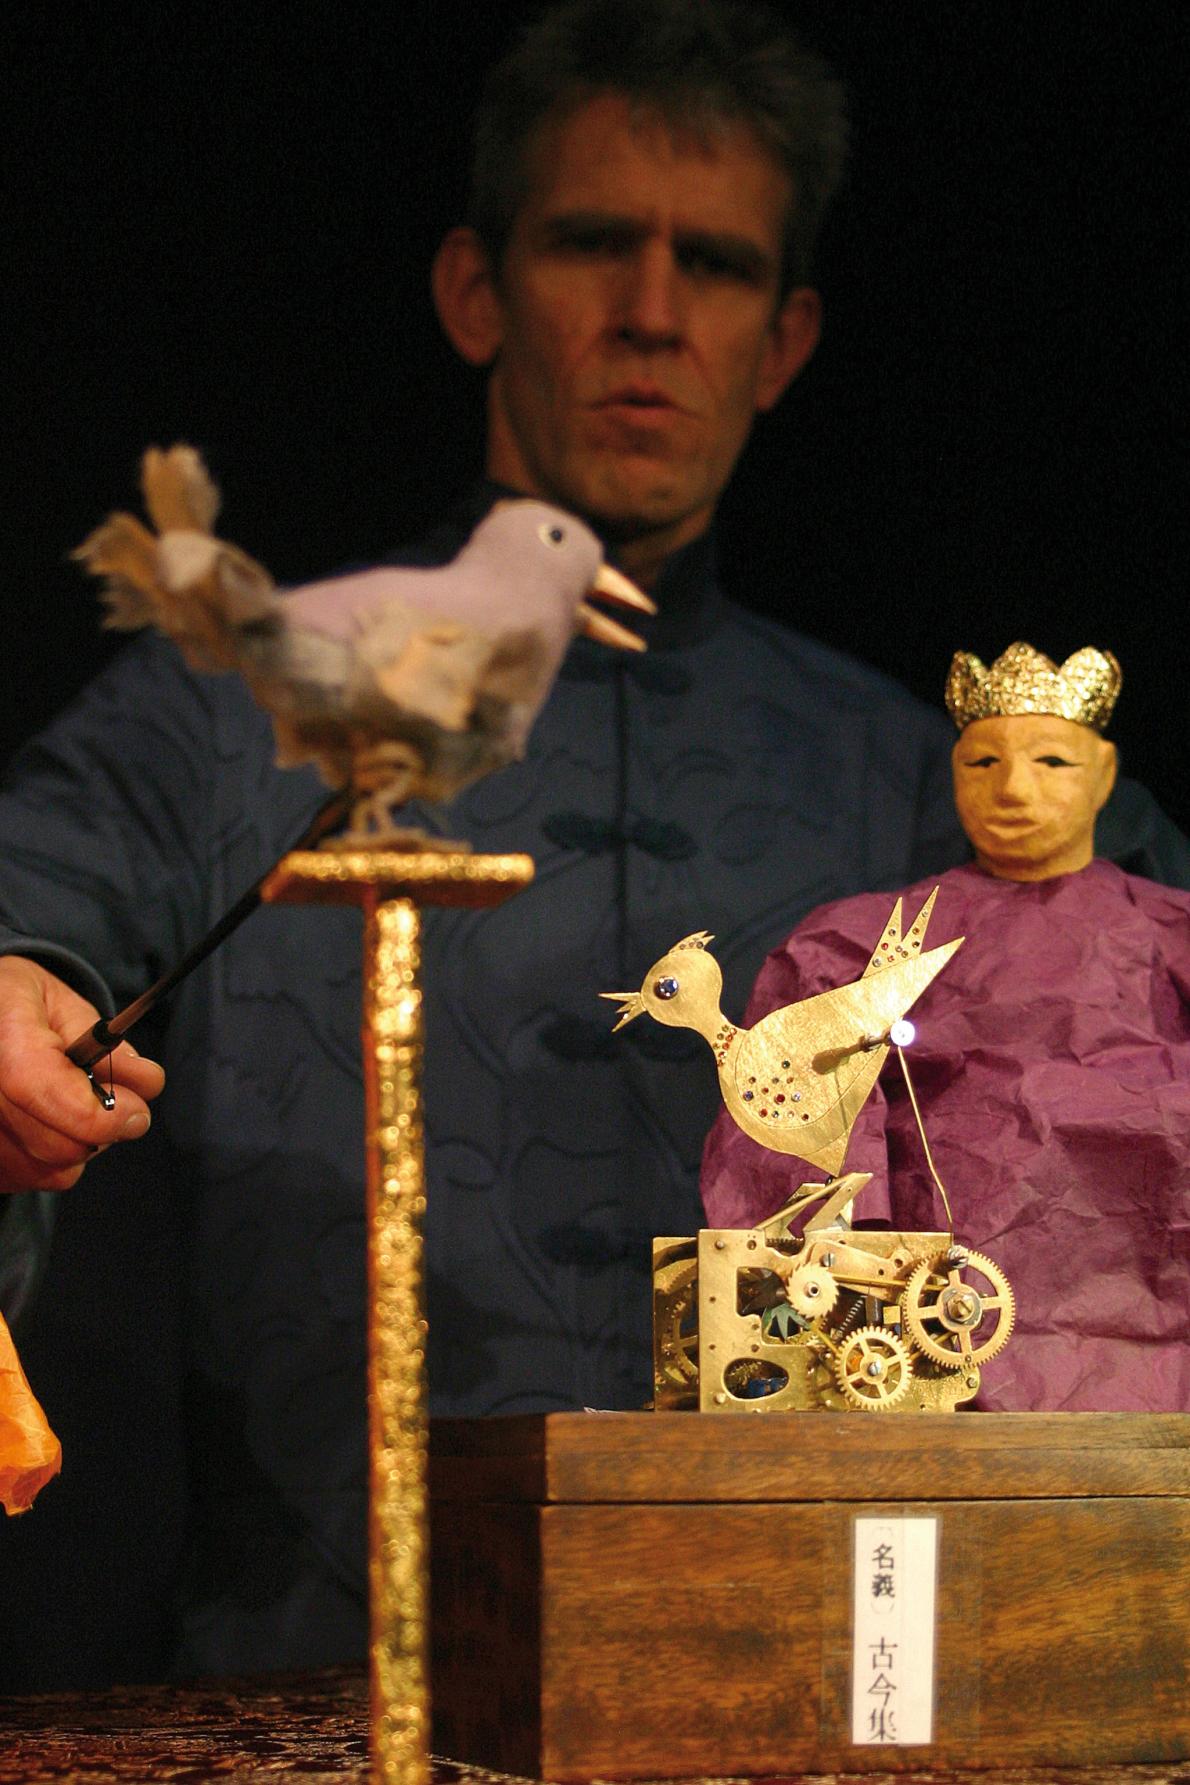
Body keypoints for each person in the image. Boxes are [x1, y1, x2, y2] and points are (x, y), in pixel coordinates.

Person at [0, 0, 1185, 1685]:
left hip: (850, 1686)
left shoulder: (949, 784)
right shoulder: (232, 706)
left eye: (715, 265)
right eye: (589, 244)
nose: (650, 312)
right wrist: (17, 981)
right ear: (474, 291)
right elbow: (42, 892)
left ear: (783, 340)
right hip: (329, 1681)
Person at [701, 642, 1190, 1412]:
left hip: (1157, 1337)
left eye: (1053, 761)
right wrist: (850, 1269)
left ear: (1104, 776)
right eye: (983, 762)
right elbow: (795, 1123)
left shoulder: (1171, 936)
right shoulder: (858, 942)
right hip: (923, 1340)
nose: (1014, 787)